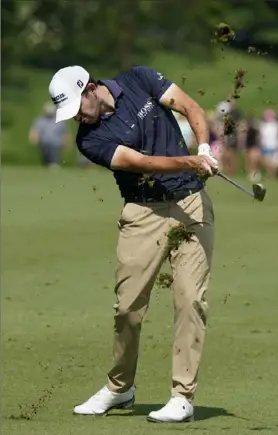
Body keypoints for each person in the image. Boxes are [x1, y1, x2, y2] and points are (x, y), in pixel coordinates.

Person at [48, 65, 218, 423]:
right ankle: (120, 388)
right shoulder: (89, 140)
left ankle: (182, 397)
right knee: (127, 308)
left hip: (191, 203)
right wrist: (190, 161)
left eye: (78, 107)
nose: (77, 117)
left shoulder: (139, 79)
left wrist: (204, 147)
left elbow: (189, 107)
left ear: (91, 88)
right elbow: (143, 163)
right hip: (142, 213)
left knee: (190, 299)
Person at [28, 102, 69, 170]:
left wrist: (66, 143)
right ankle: (48, 165)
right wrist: (33, 138)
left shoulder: (60, 120)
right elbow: (36, 131)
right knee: (46, 155)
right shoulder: (40, 120)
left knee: (54, 149)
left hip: (56, 142)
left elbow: (64, 133)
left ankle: (54, 163)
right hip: (44, 142)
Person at [258, 109, 278, 178]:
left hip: (274, 145)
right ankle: (270, 174)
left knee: (272, 162)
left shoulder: (276, 124)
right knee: (266, 161)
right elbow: (261, 136)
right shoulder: (262, 125)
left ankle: (272, 175)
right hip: (265, 145)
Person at [243, 115, 261, 182]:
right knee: (249, 161)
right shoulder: (247, 129)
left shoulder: (254, 130)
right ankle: (250, 174)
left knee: (253, 161)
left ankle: (254, 174)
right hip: (248, 146)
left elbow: (257, 139)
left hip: (253, 147)